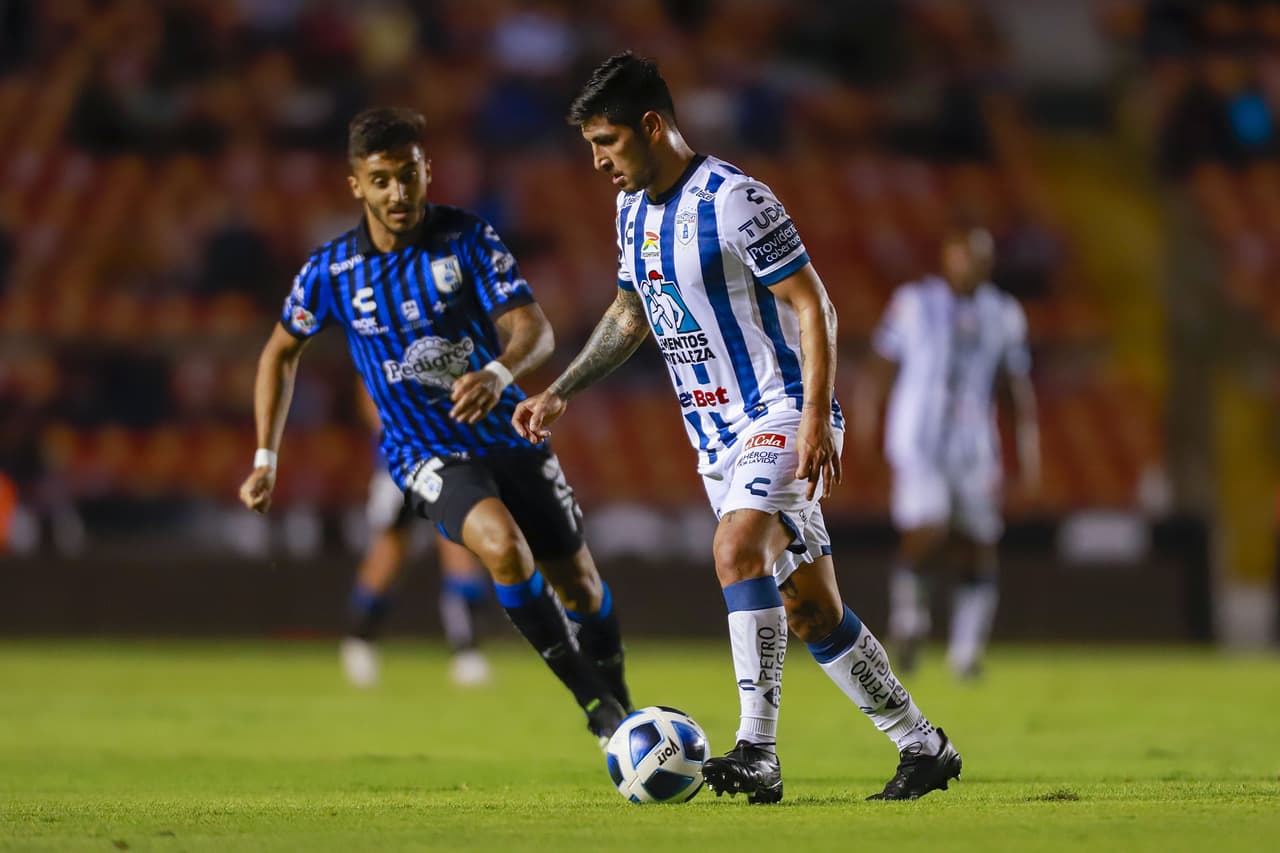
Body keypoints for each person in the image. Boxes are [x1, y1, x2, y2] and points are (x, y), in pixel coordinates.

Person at [514, 53, 960, 802]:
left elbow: (815, 305)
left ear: (651, 125)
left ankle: (756, 750)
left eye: (608, 142)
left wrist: (817, 416)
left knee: (734, 549)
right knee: (812, 609)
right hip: (716, 440)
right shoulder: (630, 210)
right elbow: (631, 312)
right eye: (590, 146)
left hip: (781, 409)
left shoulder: (735, 198)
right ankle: (924, 744)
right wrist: (561, 388)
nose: (596, 161)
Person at [238, 106, 632, 745]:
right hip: (424, 452)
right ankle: (598, 708)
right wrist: (265, 456)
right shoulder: (330, 272)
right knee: (501, 548)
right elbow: (279, 352)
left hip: (510, 433)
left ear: (428, 172)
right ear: (357, 186)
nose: (399, 193)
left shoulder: (468, 241)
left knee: (581, 586)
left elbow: (535, 330)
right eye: (383, 179)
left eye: (410, 175)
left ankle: (622, 709)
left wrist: (500, 375)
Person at [855, 227, 1040, 680]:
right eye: (962, 255)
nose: (969, 265)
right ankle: (910, 618)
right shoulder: (913, 303)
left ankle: (965, 652)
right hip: (918, 440)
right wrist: (863, 432)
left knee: (978, 546)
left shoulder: (1004, 312)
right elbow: (879, 370)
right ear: (946, 257)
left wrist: (1028, 455)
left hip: (974, 444)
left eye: (978, 257)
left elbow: (1015, 388)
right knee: (929, 527)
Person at [341, 384, 492, 689]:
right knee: (390, 548)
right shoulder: (381, 341)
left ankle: (466, 650)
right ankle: (360, 639)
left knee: (456, 541)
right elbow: (369, 396)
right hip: (401, 463)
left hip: (450, 459)